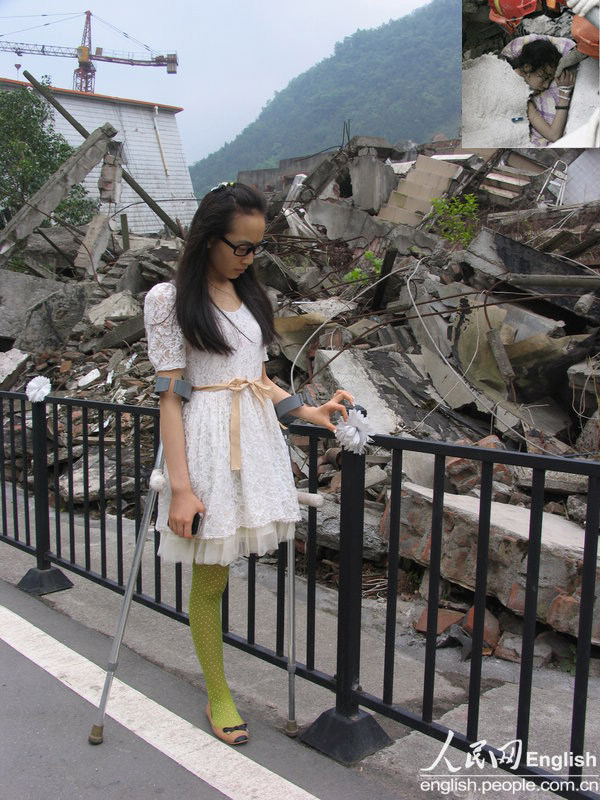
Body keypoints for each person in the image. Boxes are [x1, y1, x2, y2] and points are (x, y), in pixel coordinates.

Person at [143, 182, 353, 746]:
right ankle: (218, 692)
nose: (249, 258)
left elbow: (257, 378)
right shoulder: (168, 300)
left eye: (257, 247)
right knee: (211, 575)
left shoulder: (251, 295)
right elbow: (171, 396)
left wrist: (309, 408)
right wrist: (181, 489)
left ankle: (220, 683)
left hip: (255, 438)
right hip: (207, 440)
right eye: (240, 246)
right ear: (208, 238)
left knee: (235, 564)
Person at [501, 34, 578, 145]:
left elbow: (553, 135)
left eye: (550, 81)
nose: (546, 86)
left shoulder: (523, 100)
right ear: (527, 67)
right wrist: (564, 95)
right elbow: (554, 135)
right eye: (545, 78)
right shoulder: (513, 91)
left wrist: (518, 120)